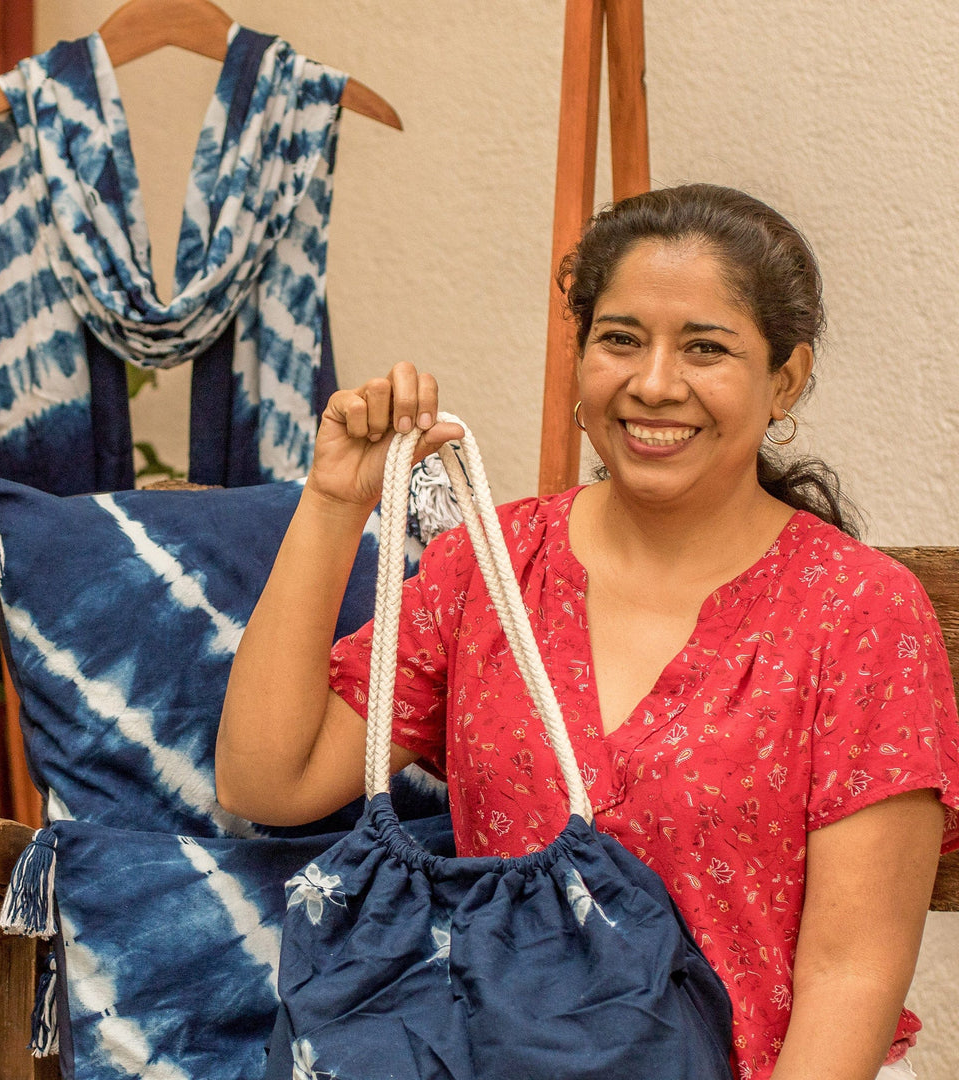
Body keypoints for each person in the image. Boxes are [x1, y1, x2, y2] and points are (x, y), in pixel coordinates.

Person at [216, 184, 959, 1080]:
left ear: (786, 379)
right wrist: (336, 499)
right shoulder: (490, 569)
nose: (654, 384)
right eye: (620, 340)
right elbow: (269, 779)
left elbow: (851, 975)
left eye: (706, 348)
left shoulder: (860, 611)